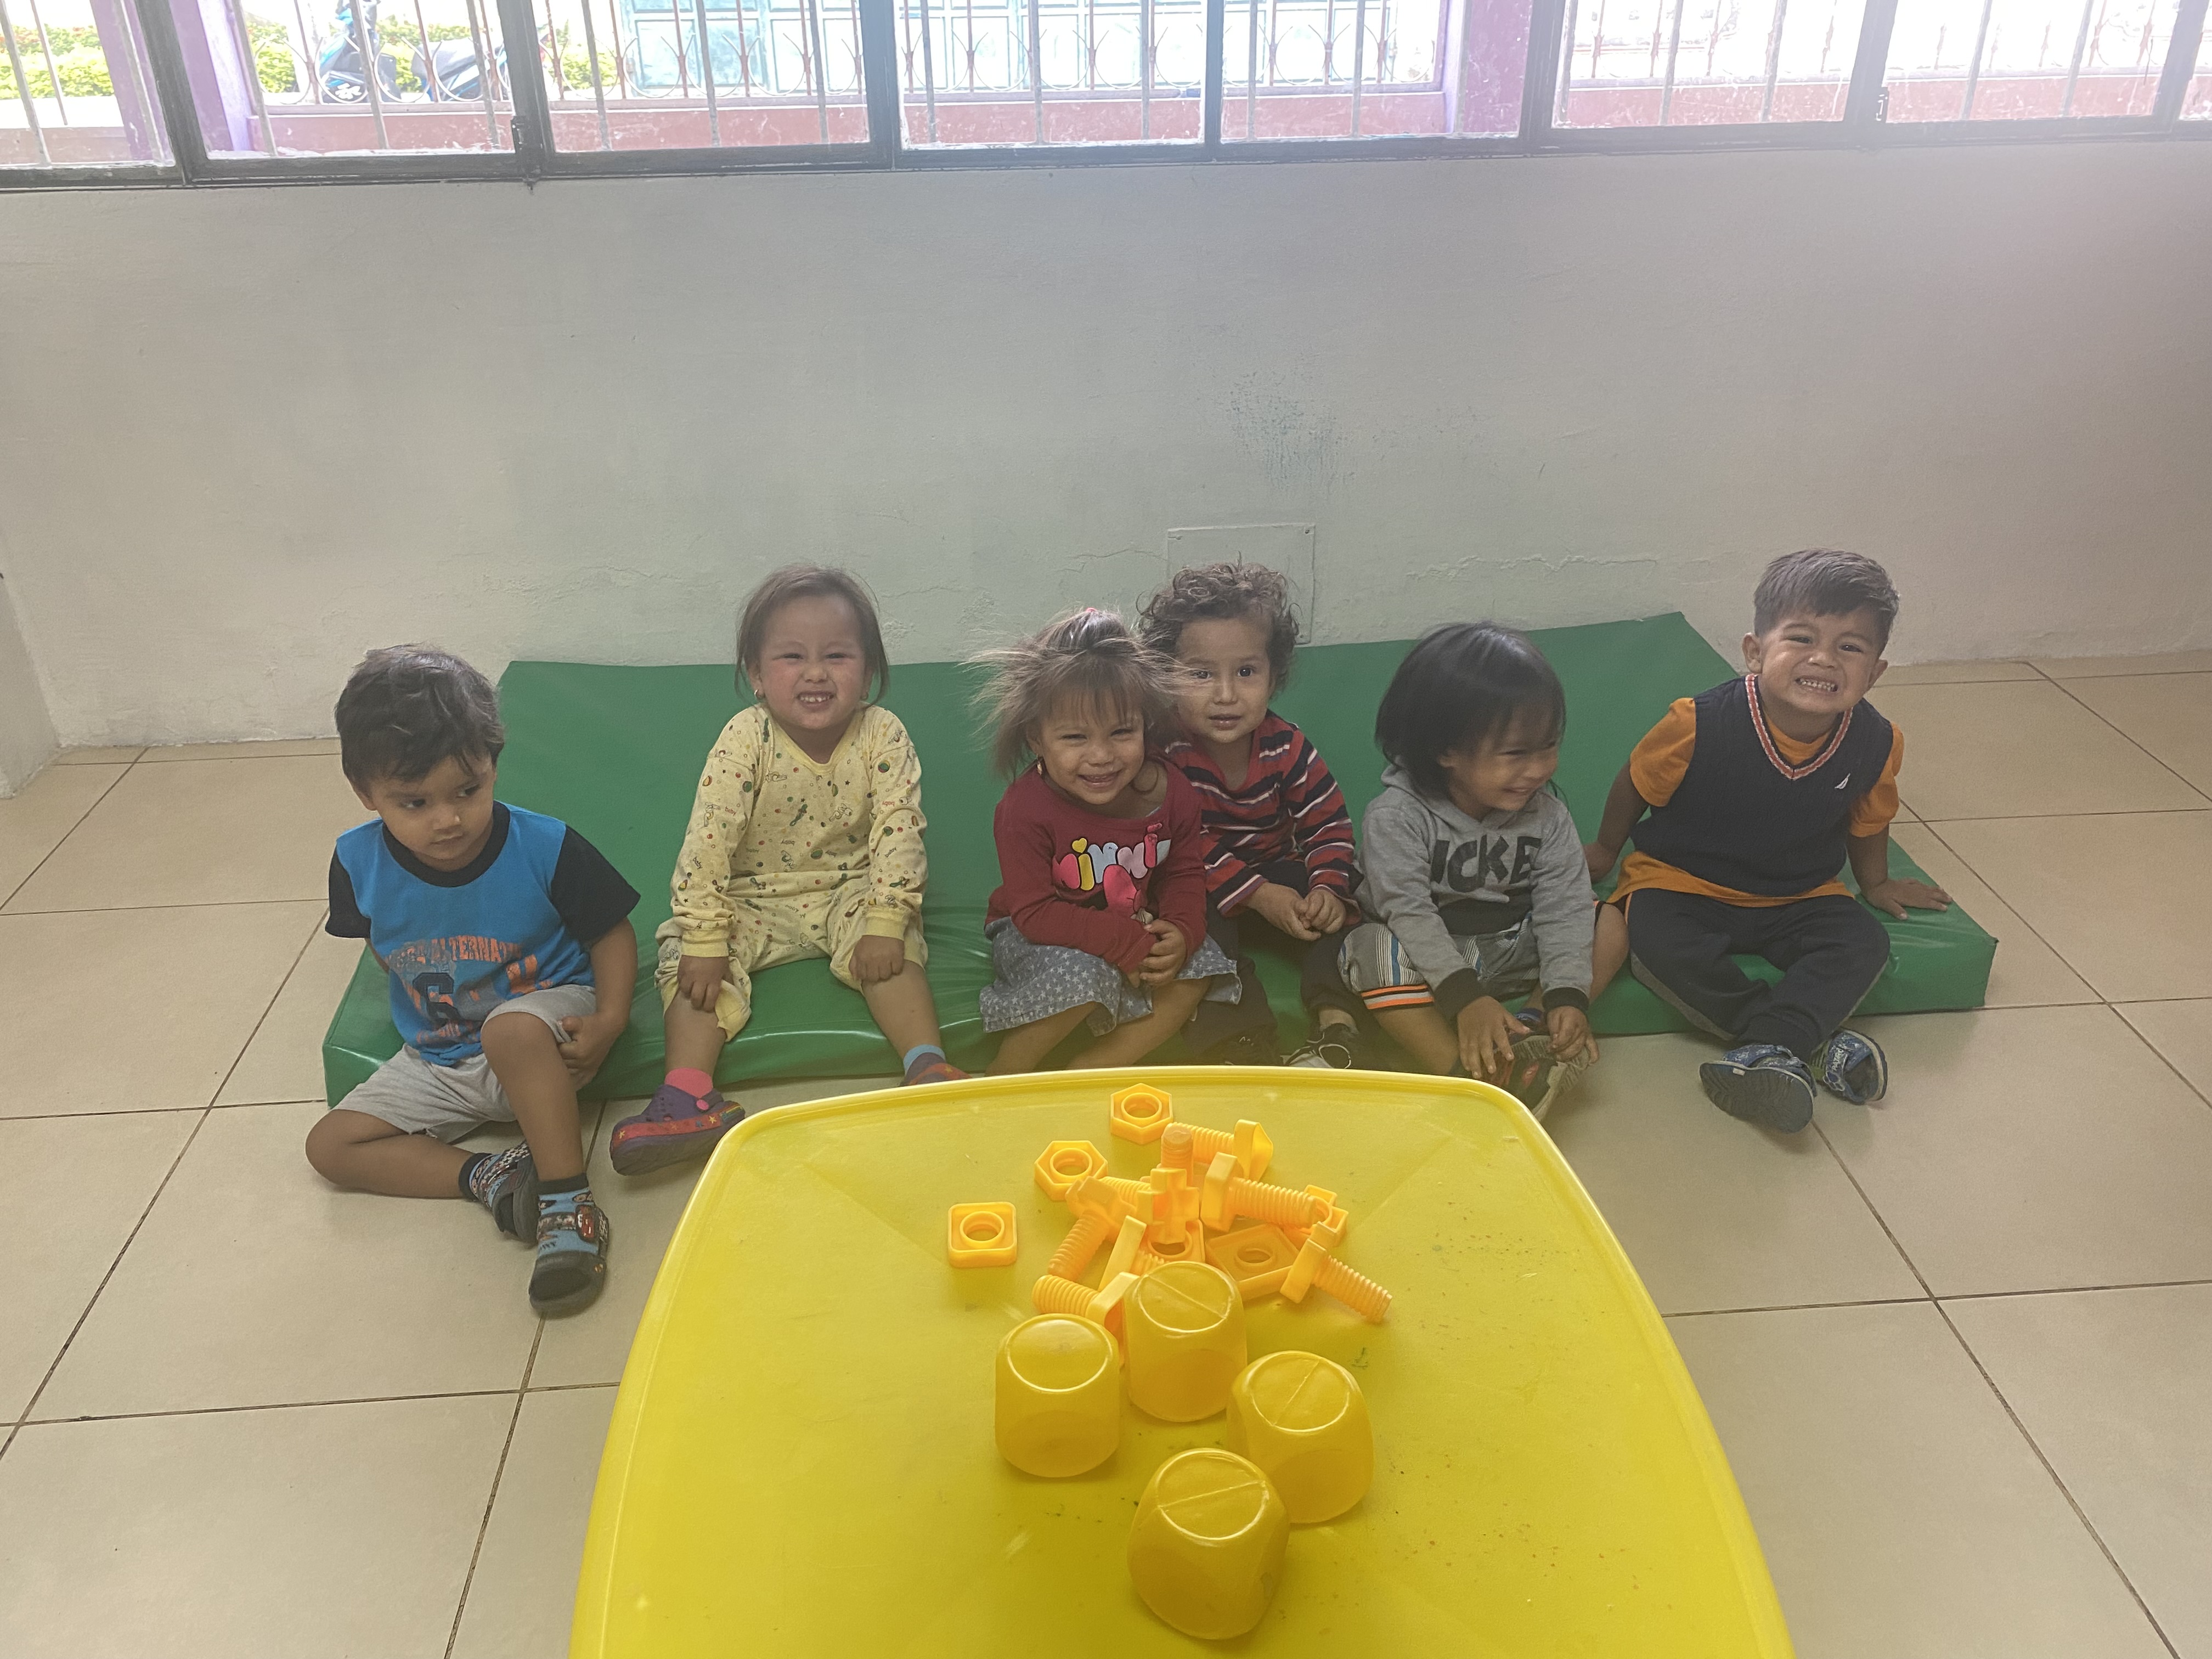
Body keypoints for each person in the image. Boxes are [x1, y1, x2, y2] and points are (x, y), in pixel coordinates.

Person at [304, 646, 637, 1316]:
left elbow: (612, 932)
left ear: (492, 766)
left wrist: (609, 1018)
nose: (448, 819)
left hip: (545, 1032)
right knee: (330, 1146)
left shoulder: (545, 846)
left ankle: (568, 1205)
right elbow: (382, 945)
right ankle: (492, 1176)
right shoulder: (355, 862)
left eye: (468, 791)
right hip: (441, 1054)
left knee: (510, 1030)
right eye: (415, 802)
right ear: (366, 794)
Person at [610, 567, 962, 1176]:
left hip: (851, 888)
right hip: (751, 898)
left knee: (896, 946)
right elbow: (707, 843)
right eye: (792, 657)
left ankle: (927, 1067)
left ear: (868, 672)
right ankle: (687, 1096)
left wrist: (886, 919)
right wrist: (704, 937)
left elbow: (900, 830)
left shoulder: (883, 733)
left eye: (837, 656)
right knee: (688, 966)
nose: (816, 673)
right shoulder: (746, 737)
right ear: (756, 674)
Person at [1584, 548, 1950, 1133]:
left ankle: (1767, 1051)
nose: (1824, 659)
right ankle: (1793, 1042)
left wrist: (1876, 883)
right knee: (1655, 940)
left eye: (1850, 647)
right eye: (1802, 639)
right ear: (1755, 652)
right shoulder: (1697, 723)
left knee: (1862, 943)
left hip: (1799, 893)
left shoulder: (1877, 740)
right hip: (1683, 882)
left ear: (1876, 672)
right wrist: (1606, 849)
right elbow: (1636, 781)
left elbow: (1871, 816)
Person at [1335, 624, 1605, 1118]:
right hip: (1432, 957)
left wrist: (1568, 994)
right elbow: (1408, 912)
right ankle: (1467, 1077)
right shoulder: (1397, 816)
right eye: (1516, 754)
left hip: (1512, 946)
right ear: (1446, 751)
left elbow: (1564, 905)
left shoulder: (1547, 816)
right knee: (1367, 948)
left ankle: (1535, 1032)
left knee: (1609, 921)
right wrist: (1465, 1000)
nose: (1539, 769)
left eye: (1548, 747)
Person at [974, 608, 1244, 1073]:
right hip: (1035, 931)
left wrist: (1181, 931)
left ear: (1144, 726)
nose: (1101, 756)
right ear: (1036, 738)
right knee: (1084, 974)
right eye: (1075, 737)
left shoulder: (1173, 792)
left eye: (1121, 732)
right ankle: (1005, 1074)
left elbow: (1183, 872)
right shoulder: (1023, 809)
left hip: (1135, 925)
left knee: (1201, 966)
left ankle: (1091, 1069)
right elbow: (1035, 912)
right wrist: (1122, 942)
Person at [1139, 563, 1365, 1068]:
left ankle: (1339, 1030)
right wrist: (1259, 896)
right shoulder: (1164, 753)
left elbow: (1328, 826)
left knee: (1350, 907)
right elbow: (1178, 841)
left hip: (1277, 871)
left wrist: (1326, 890)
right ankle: (1238, 1043)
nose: (1226, 695)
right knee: (1187, 922)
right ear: (1168, 679)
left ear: (1273, 677)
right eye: (1201, 674)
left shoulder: (1288, 747)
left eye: (1246, 672)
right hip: (1197, 880)